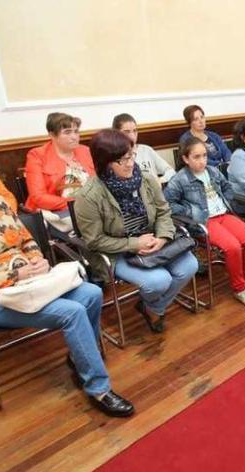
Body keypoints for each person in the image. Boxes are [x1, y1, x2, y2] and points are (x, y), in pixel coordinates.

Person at [0, 132, 133, 417]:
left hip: (30, 282)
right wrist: (13, 276)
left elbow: (26, 240)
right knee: (71, 312)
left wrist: (36, 260)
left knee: (92, 293)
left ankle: (79, 357)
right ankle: (98, 388)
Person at [74, 130, 198, 334]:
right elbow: (94, 241)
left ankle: (152, 307)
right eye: (121, 160)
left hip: (153, 240)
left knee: (190, 265)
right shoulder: (89, 196)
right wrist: (134, 244)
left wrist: (163, 237)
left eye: (131, 155)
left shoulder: (146, 180)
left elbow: (163, 211)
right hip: (117, 252)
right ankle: (155, 306)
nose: (130, 163)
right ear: (104, 163)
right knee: (159, 281)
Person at [163, 137, 245, 309]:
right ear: (186, 159)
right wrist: (189, 212)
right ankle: (239, 288)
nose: (202, 161)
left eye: (204, 156)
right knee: (232, 247)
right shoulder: (179, 179)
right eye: (196, 157)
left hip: (224, 214)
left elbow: (227, 187)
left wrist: (228, 200)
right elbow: (168, 203)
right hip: (204, 221)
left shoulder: (212, 171)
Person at [24, 112, 95, 213]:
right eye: (67, 132)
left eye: (76, 131)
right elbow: (38, 197)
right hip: (55, 212)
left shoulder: (85, 151)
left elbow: (99, 182)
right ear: (52, 135)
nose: (74, 137)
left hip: (90, 209)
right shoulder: (37, 156)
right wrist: (76, 204)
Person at [112, 113, 175, 183]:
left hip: (153, 190)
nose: (132, 136)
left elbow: (170, 171)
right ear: (116, 133)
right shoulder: (113, 156)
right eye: (127, 132)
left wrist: (160, 180)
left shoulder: (146, 150)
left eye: (135, 131)